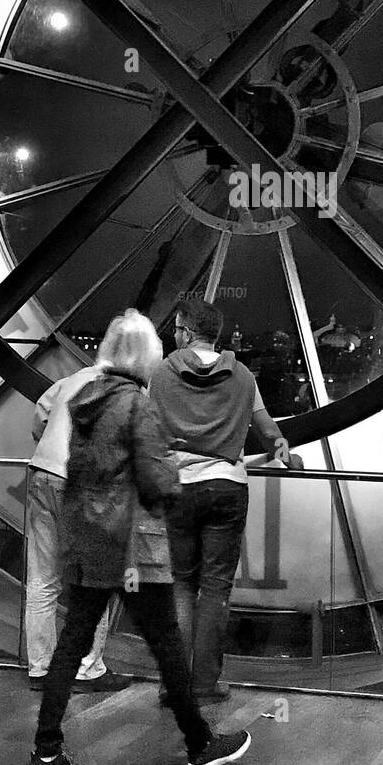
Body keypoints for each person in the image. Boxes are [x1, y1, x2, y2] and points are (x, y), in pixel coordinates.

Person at [23, 309, 250, 765]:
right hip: (136, 549)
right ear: (147, 355)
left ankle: (45, 752)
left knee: (70, 644)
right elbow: (160, 480)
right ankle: (200, 744)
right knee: (167, 647)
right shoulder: (137, 406)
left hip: (91, 540)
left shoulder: (85, 398)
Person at [149, 297, 291, 704]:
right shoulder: (243, 376)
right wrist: (280, 444)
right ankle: (205, 684)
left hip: (177, 486)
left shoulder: (162, 374)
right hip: (227, 485)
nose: (173, 335)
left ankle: (172, 684)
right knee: (215, 590)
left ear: (186, 331)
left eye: (176, 329)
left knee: (179, 586)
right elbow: (266, 426)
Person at [26, 363, 130, 693]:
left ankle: (40, 668)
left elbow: (39, 417)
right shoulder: (124, 390)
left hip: (42, 472)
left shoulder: (72, 379)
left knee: (42, 577)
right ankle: (88, 668)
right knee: (93, 577)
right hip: (80, 482)